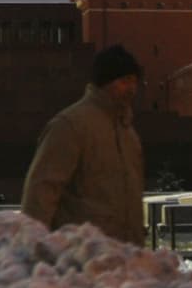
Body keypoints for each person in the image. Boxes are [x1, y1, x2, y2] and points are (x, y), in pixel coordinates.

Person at [21, 44, 145, 245]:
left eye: (134, 81)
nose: (132, 89)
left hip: (124, 255)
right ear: (104, 82)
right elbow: (42, 190)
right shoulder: (70, 126)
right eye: (124, 81)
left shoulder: (128, 133)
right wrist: (33, 248)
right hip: (80, 254)